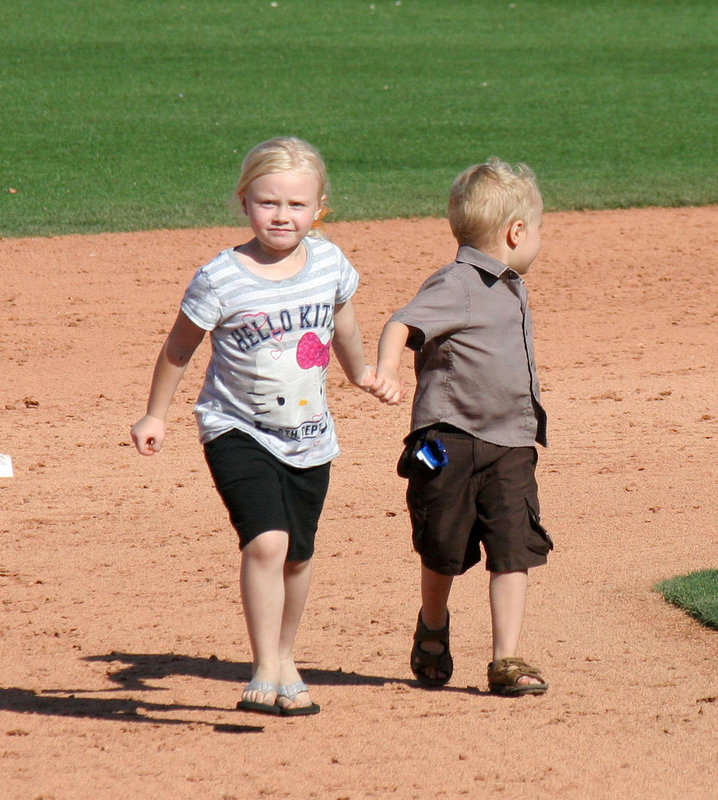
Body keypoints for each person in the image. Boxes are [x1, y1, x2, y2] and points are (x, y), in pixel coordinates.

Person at [131, 137, 379, 716]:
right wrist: (155, 414)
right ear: (245, 202)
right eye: (268, 203)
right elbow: (179, 348)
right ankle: (265, 663)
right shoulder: (220, 278)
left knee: (297, 554)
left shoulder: (329, 263)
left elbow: (342, 319)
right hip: (234, 427)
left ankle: (285, 656)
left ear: (319, 207)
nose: (281, 216)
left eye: (296, 205)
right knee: (267, 541)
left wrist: (362, 371)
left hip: (310, 434)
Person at [370, 157, 553, 696]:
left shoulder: (509, 284)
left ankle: (507, 658)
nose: (540, 239)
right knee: (443, 547)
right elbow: (401, 322)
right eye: (538, 229)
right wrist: (387, 369)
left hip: (512, 442)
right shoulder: (459, 283)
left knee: (513, 545)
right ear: (516, 231)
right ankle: (432, 623)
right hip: (448, 441)